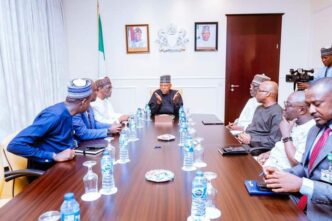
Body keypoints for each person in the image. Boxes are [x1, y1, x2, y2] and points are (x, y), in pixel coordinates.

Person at [264, 78, 332, 220]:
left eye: (317, 104)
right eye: (308, 105)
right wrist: (280, 175)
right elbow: (306, 167)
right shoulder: (315, 130)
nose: (311, 110)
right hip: (305, 205)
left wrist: (302, 184)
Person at [7, 78, 93, 171]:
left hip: (62, 167)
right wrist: (53, 156)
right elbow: (15, 145)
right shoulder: (54, 116)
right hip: (45, 175)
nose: (90, 105)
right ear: (83, 102)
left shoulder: (69, 113)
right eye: (90, 101)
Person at [257, 91, 315, 170]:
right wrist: (268, 154)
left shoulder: (311, 130)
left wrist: (286, 135)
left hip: (280, 174)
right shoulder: (294, 123)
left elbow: (296, 162)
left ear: (302, 110)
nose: (284, 108)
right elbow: (283, 148)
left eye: (288, 105)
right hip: (268, 164)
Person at [237, 81, 283, 150]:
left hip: (258, 149)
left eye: (259, 90)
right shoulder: (259, 108)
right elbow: (252, 128)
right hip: (247, 143)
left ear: (268, 94)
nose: (256, 93)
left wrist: (251, 140)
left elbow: (274, 141)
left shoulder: (277, 113)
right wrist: (242, 135)